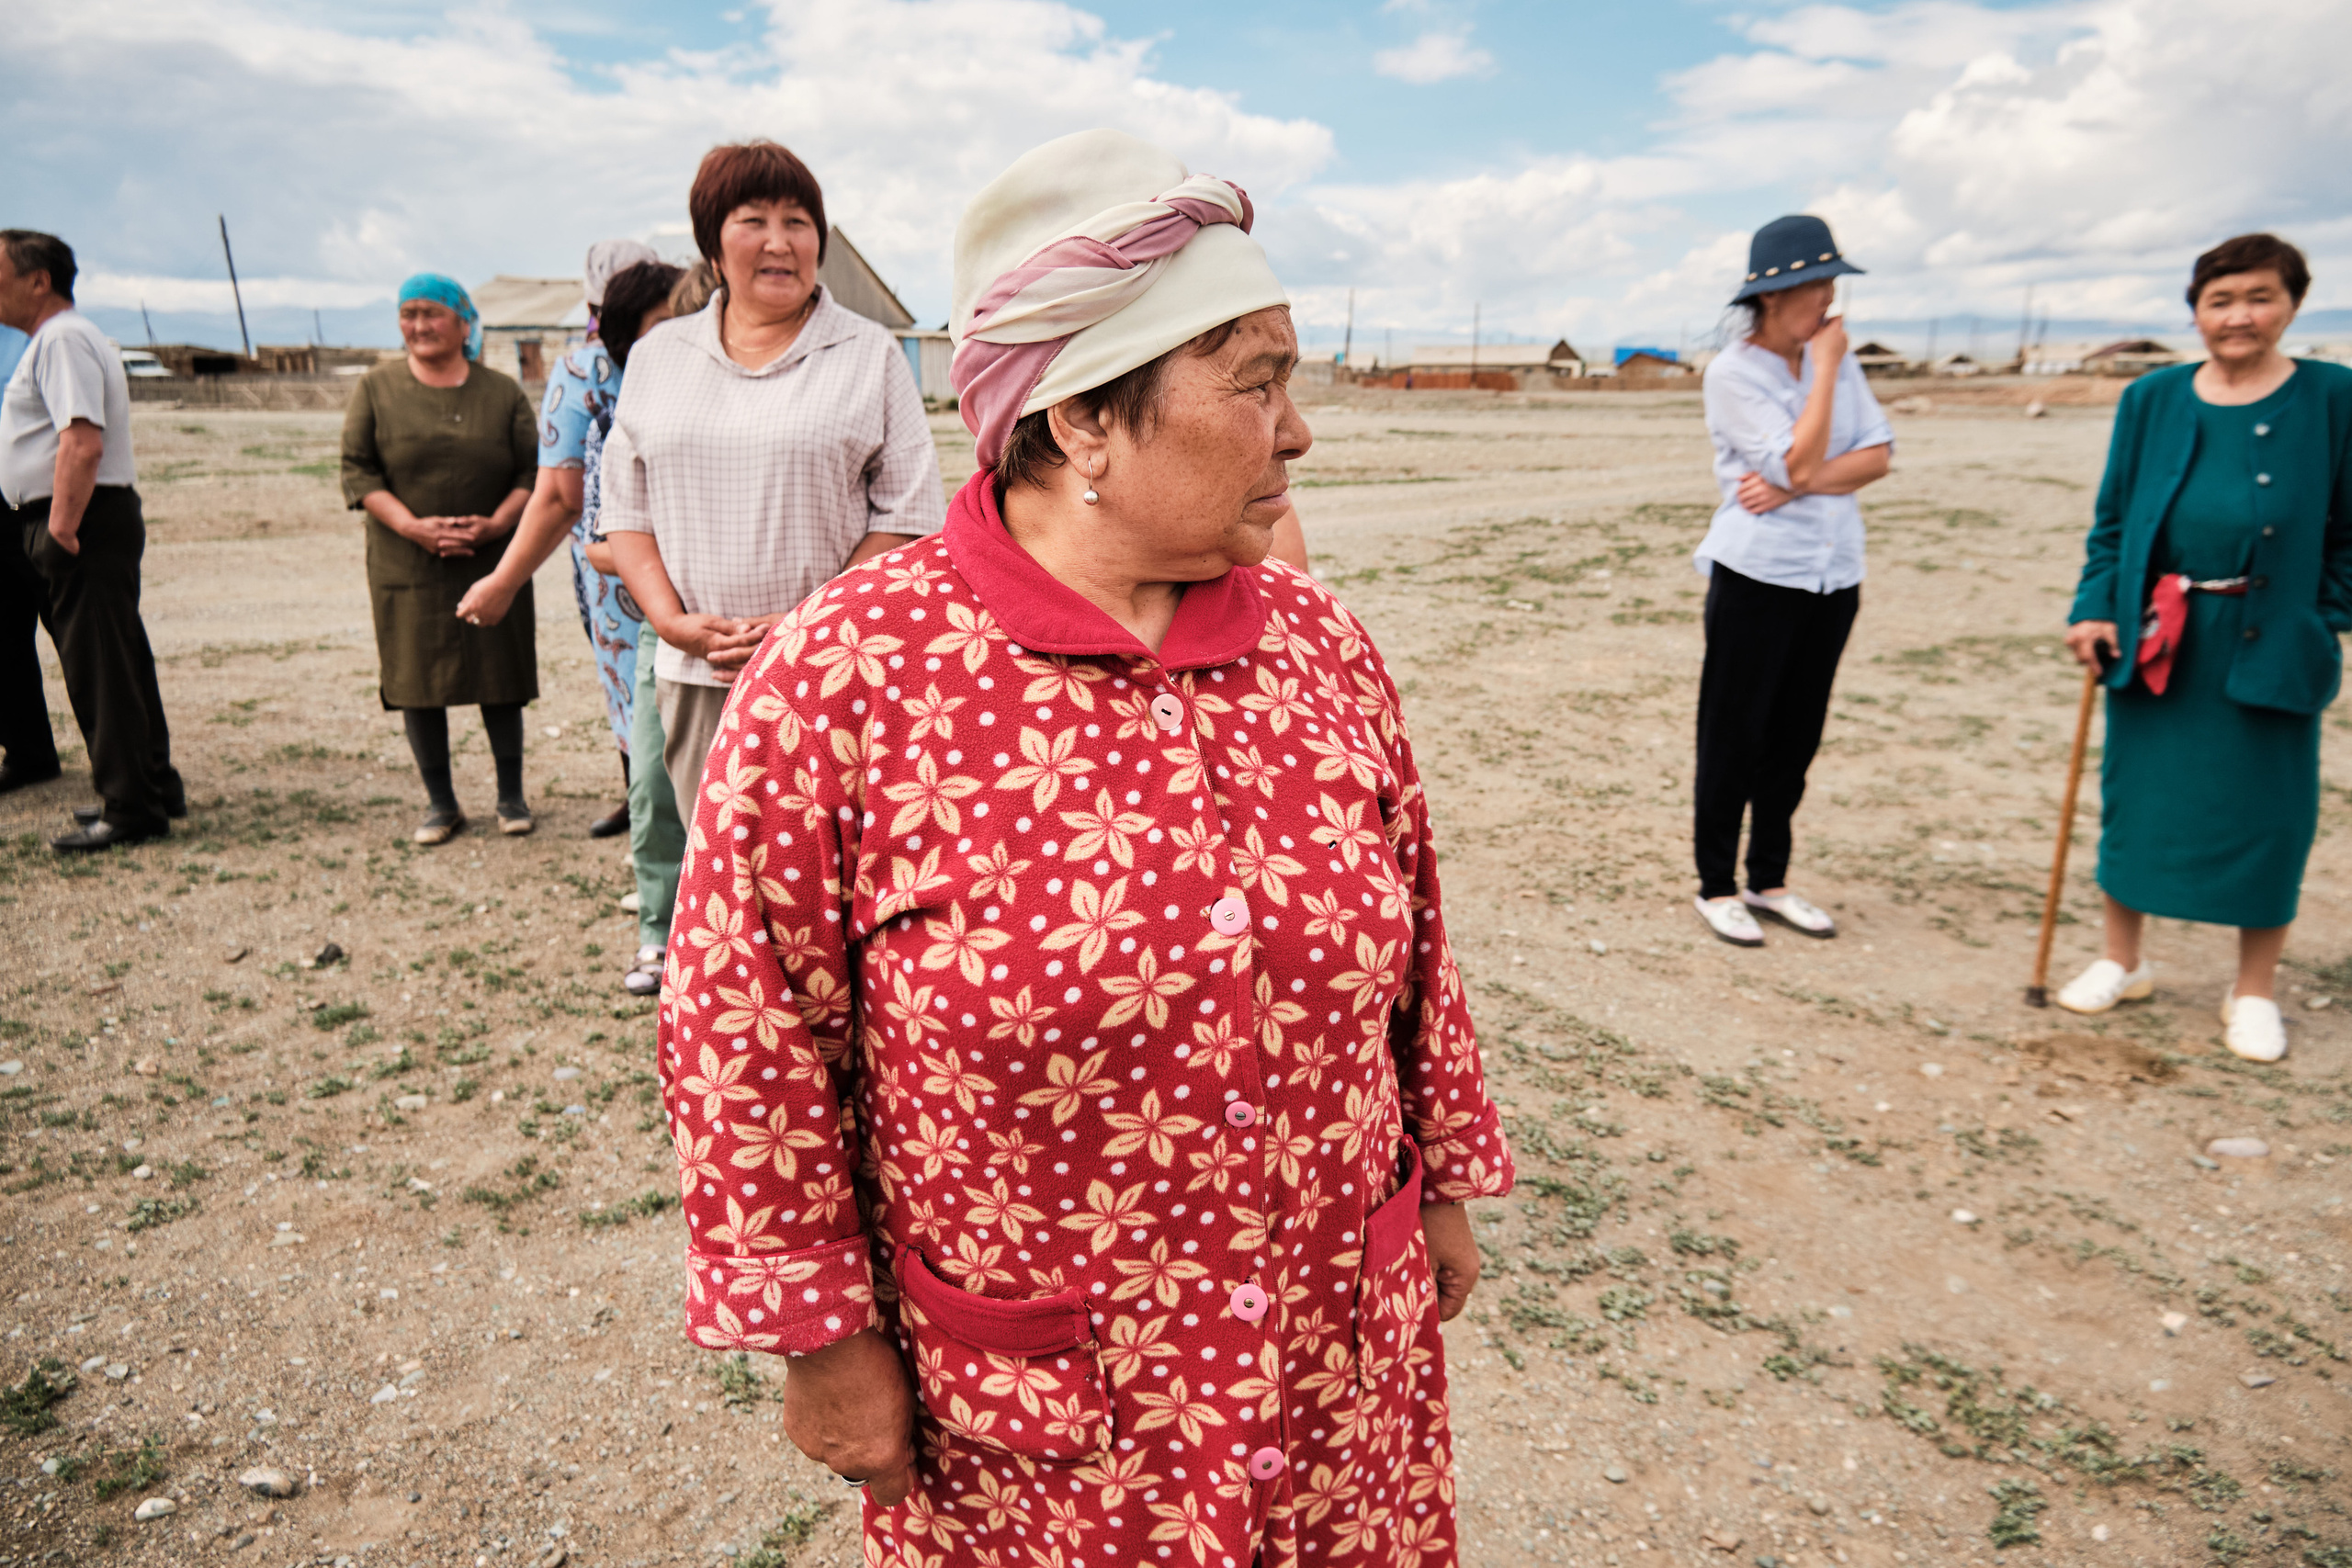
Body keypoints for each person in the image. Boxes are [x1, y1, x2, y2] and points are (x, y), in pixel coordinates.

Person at [656, 128, 1512, 1568]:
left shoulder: (1324, 649)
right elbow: (747, 1026)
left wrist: (1433, 1183)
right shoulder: (850, 676)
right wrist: (821, 1335)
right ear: (1079, 422)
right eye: (1256, 383)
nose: (1296, 432)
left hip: (1332, 1373)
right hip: (1051, 1423)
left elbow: (1413, 944)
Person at [2058, 233, 2351, 1062]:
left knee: (2271, 813)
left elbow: (2351, 536)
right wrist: (2095, 607)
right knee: (2138, 801)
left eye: (2259, 297)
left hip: (2272, 642)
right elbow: (2113, 521)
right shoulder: (2151, 399)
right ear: (2195, 312)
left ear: (2292, 304)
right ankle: (2123, 958)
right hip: (2161, 638)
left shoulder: (2334, 396)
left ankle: (2253, 990)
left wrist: (2316, 612)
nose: (2240, 316)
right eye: (2220, 300)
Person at [602, 140, 945, 822]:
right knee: (721, 861)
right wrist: (673, 625)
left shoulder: (867, 352)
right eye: (753, 220)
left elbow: (906, 513)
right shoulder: (658, 356)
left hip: (834, 666)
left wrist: (806, 625)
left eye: (797, 221)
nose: (779, 241)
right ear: (712, 244)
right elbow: (627, 511)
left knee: (833, 857)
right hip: (701, 670)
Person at [1689, 214, 1891, 947]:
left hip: (1835, 574)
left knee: (1797, 733)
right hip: (1759, 574)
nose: (1830, 302)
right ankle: (1716, 884)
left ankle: (1768, 879)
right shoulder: (1735, 371)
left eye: (1833, 284)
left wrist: (1794, 483)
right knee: (1733, 732)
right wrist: (1828, 370)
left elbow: (1878, 456)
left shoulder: (1832, 354)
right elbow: (1802, 463)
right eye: (1819, 286)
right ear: (1774, 296)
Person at [454, 240, 658, 839]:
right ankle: (648, 810)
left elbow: (560, 494)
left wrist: (503, 580)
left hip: (618, 565)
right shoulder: (694, 349)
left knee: (635, 690)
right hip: (670, 554)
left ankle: (649, 816)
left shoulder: (584, 366)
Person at [0, 230, 183, 849]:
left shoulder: (63, 339)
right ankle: (154, 785)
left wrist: (59, 528)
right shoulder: (59, 339)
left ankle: (131, 808)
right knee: (119, 656)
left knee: (99, 665)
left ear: (38, 279)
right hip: (87, 515)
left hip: (80, 518)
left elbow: (81, 440)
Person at [341, 274, 537, 845]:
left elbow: (534, 470)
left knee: (499, 674)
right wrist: (412, 527)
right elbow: (358, 469)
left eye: (432, 313)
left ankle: (510, 796)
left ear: (463, 321)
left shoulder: (501, 393)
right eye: (409, 314)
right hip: (407, 564)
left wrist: (500, 522)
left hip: (491, 557)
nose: (420, 325)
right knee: (415, 677)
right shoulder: (377, 388)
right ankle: (440, 803)